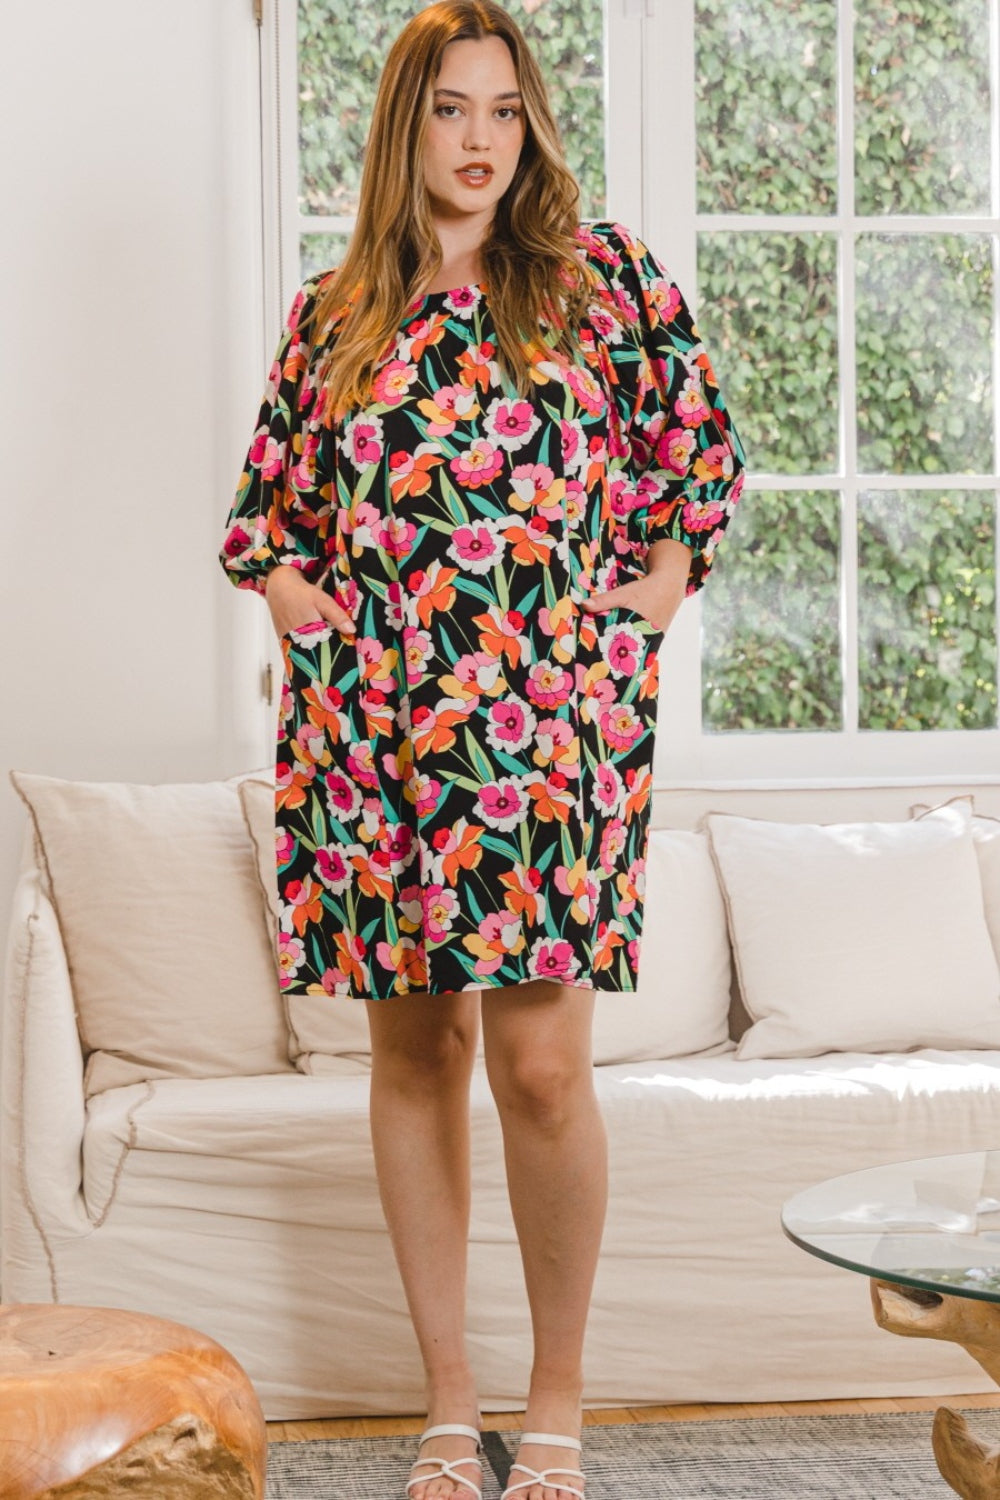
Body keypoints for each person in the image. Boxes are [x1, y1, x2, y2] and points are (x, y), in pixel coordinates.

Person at [219, 3, 745, 1495]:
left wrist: (646, 603)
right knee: (416, 1051)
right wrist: (295, 601)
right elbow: (267, 513)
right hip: (375, 733)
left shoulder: (600, 283)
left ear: (532, 126)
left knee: (540, 1070)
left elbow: (696, 453)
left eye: (505, 112)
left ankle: (557, 1398)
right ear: (407, 127)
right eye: (452, 110)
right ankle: (448, 1404)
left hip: (546, 735)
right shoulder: (339, 313)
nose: (479, 141)